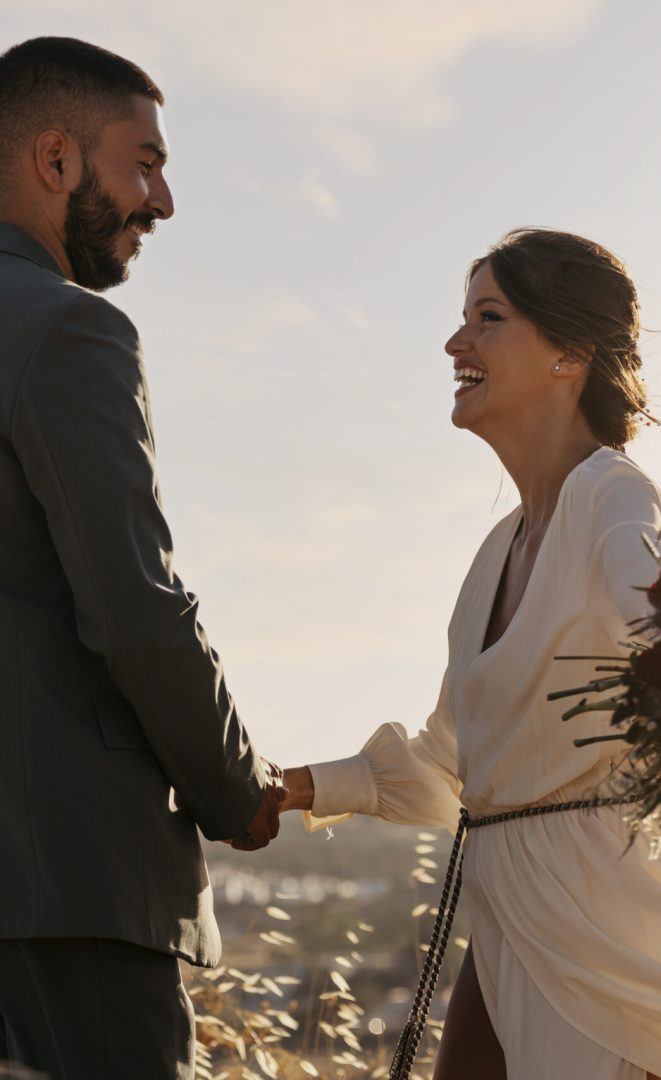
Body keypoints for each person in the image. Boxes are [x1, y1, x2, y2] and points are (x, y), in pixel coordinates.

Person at [280, 229, 661, 1079]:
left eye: (487, 318)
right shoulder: (494, 553)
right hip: (507, 926)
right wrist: (295, 790)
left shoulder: (611, 495)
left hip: (605, 937)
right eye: (463, 318)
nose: (454, 342)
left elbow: (660, 611)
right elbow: (454, 768)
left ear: (570, 352)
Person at [0, 37, 283, 1080]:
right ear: (57, 158)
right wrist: (233, 783)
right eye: (146, 162)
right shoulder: (67, 332)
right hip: (61, 891)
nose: (161, 202)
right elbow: (131, 602)